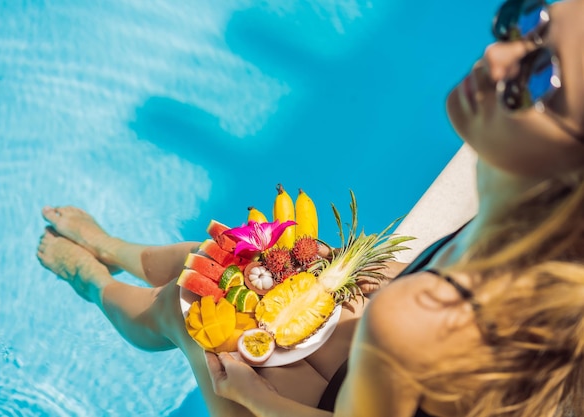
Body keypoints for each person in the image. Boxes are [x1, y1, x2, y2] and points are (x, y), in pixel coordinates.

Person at [37, 0, 584, 415]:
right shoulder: (544, 255)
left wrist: (253, 394)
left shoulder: (414, 320)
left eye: (540, 76)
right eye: (528, 17)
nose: (497, 53)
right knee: (228, 254)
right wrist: (373, 276)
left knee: (183, 311)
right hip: (382, 370)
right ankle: (116, 250)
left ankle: (94, 281)